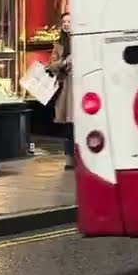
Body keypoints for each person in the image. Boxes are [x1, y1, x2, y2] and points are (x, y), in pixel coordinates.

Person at [48, 12, 74, 170]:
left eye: (69, 21)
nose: (66, 24)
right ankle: (69, 159)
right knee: (69, 126)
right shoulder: (58, 44)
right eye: (64, 22)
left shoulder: (80, 40)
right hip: (66, 88)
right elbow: (52, 65)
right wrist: (64, 62)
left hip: (80, 86)